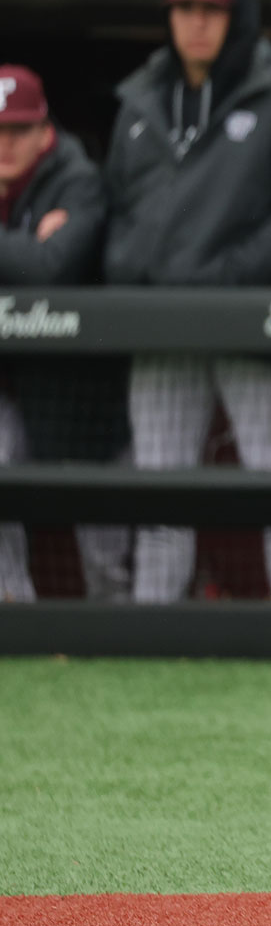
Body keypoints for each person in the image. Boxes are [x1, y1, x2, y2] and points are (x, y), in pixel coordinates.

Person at [103, 0, 271, 604]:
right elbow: (121, 207)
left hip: (252, 323)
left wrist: (225, 279)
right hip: (161, 327)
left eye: (211, 9)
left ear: (239, 16)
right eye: (183, 9)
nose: (196, 23)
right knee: (161, 497)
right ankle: (151, 636)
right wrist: (139, 276)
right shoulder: (139, 100)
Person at [0, 64, 128, 604]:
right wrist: (20, 246)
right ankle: (13, 616)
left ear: (44, 129)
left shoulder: (78, 177)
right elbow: (31, 259)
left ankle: (118, 630)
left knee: (100, 537)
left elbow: (51, 268)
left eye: (17, 130)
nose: (5, 144)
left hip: (79, 392)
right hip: (11, 380)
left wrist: (31, 254)